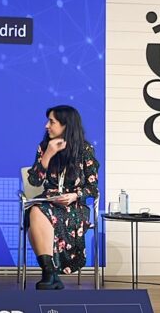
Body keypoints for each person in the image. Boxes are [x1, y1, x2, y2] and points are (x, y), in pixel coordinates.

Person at [26, 105, 99, 290]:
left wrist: (75, 195)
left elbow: (93, 188)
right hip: (49, 202)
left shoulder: (85, 149)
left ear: (66, 125)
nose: (46, 126)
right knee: (36, 211)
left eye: (52, 122)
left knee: (37, 218)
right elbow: (34, 181)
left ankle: (50, 275)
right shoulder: (44, 147)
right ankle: (50, 273)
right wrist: (48, 155)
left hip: (75, 205)